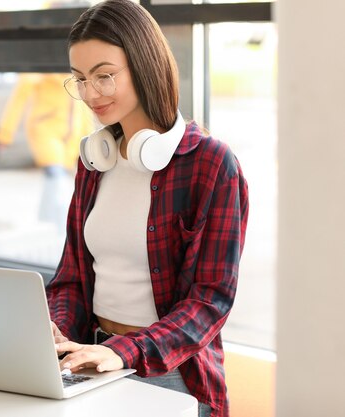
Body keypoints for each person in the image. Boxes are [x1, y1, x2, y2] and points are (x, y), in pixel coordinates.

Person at [46, 1, 249, 417]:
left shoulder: (210, 164)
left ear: (143, 65)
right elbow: (70, 278)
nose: (89, 93)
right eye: (80, 79)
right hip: (90, 359)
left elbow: (210, 301)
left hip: (171, 373)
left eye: (104, 76)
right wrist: (55, 330)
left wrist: (125, 352)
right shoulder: (95, 162)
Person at [0, 73, 93, 232]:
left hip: (70, 138)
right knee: (57, 178)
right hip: (44, 131)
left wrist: (88, 136)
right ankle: (64, 228)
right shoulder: (37, 70)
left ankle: (47, 218)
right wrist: (5, 134)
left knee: (56, 179)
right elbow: (18, 100)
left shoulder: (76, 71)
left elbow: (81, 107)